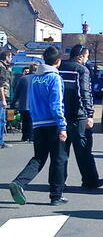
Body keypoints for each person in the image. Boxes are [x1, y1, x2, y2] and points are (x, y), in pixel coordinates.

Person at [8, 46, 69, 206]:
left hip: (38, 123)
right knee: (59, 159)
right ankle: (56, 195)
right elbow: (56, 104)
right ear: (58, 61)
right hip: (53, 123)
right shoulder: (54, 78)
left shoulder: (35, 78)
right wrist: (62, 126)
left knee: (39, 158)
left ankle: (19, 182)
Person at [59, 44, 103, 189]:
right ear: (80, 56)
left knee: (61, 152)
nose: (87, 59)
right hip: (78, 116)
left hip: (61, 115)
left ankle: (59, 181)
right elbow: (85, 92)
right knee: (84, 151)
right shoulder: (81, 70)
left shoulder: (59, 68)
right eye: (86, 56)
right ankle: (90, 180)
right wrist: (89, 114)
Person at [12, 65, 35, 142]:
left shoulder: (23, 78)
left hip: (24, 104)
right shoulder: (38, 79)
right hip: (34, 104)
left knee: (25, 121)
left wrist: (13, 103)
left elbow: (17, 92)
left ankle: (25, 137)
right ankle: (31, 137)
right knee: (32, 121)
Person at [0, 49, 13, 149]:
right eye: (10, 56)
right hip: (1, 98)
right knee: (1, 120)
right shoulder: (2, 68)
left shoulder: (4, 67)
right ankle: (0, 142)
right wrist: (3, 99)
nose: (11, 58)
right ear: (6, 57)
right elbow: (0, 85)